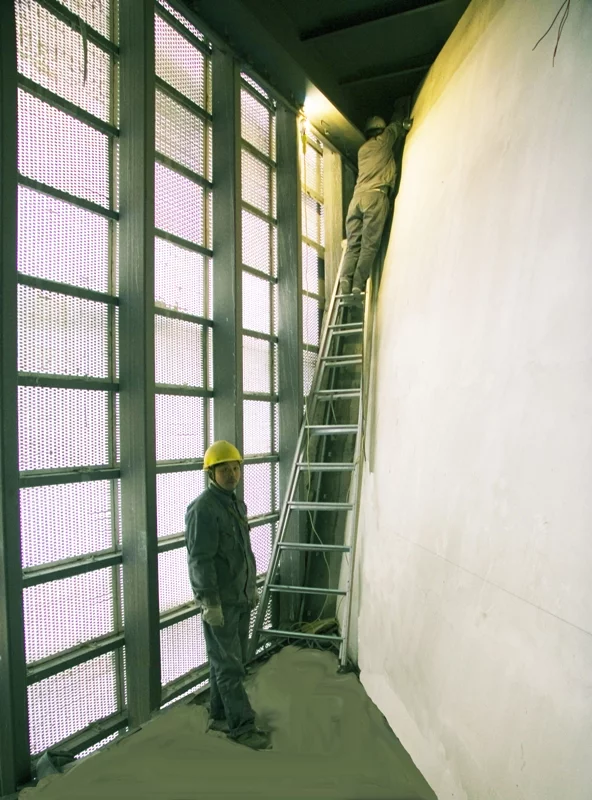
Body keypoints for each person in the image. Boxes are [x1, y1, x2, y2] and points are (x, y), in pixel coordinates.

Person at [185, 440, 270, 751]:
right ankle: (242, 726)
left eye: (236, 468)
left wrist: (251, 589)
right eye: (225, 469)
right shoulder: (203, 510)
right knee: (230, 664)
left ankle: (219, 713)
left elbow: (242, 552)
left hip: (239, 597)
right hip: (220, 601)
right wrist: (208, 601)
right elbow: (200, 559)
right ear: (211, 473)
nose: (233, 474)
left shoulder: (236, 504)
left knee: (225, 660)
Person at [340, 110, 412, 300]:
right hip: (375, 196)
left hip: (356, 200)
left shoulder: (362, 150)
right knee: (369, 244)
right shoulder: (384, 141)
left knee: (353, 244)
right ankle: (358, 284)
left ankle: (345, 281)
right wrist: (403, 123)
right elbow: (395, 128)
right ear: (380, 130)